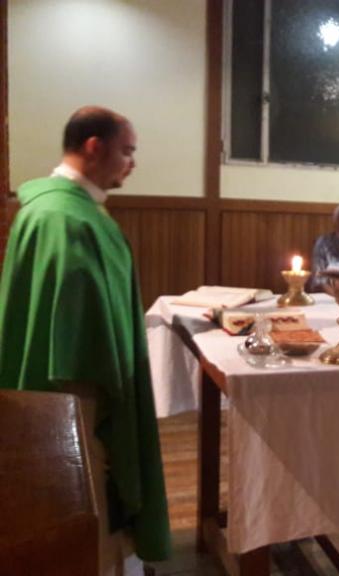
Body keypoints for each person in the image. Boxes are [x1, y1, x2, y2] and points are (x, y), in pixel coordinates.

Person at [0, 107, 171, 574]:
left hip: (79, 384)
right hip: (77, 396)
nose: (132, 163)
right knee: (88, 489)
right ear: (94, 147)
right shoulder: (64, 219)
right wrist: (111, 401)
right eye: (127, 151)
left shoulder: (68, 209)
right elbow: (72, 335)